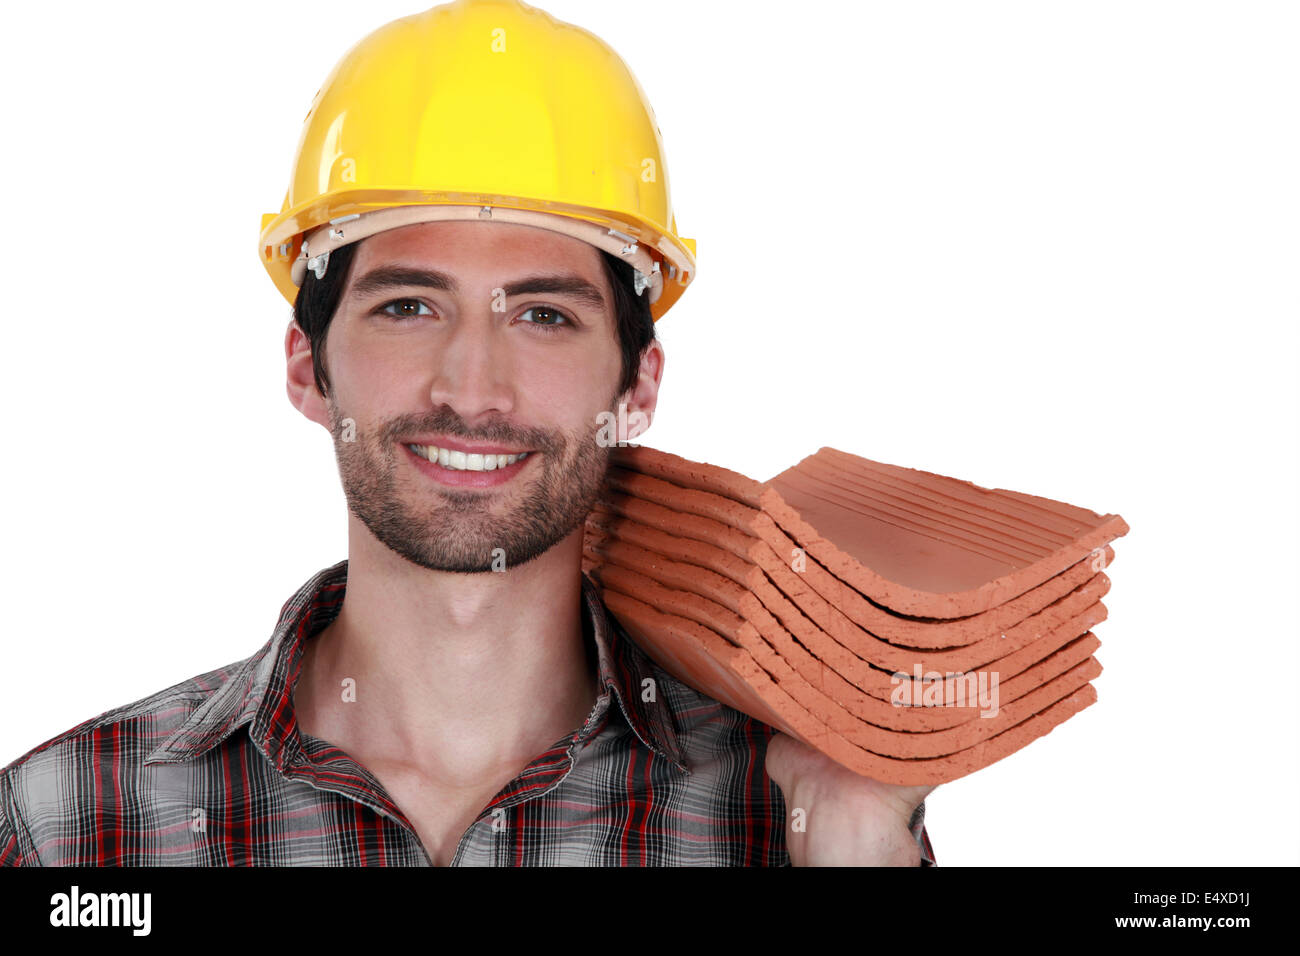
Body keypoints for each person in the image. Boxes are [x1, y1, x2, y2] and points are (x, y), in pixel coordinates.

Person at [0, 0, 933, 867]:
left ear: (638, 382)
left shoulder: (796, 812)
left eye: (544, 316)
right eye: (409, 306)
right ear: (305, 364)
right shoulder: (76, 825)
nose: (472, 391)